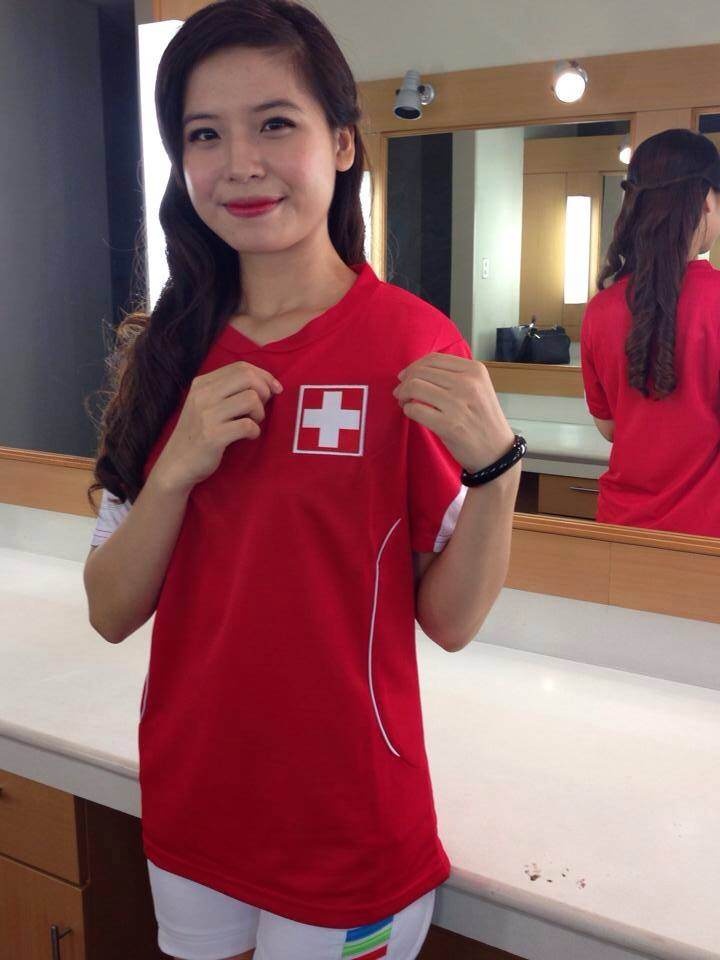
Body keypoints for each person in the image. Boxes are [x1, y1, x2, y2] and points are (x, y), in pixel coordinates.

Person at [82, 2, 523, 958]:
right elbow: (110, 609)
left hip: (346, 825)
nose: (239, 163)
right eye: (205, 134)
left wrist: (497, 474)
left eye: (275, 123)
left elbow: (449, 622)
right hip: (193, 806)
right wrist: (175, 471)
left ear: (343, 143)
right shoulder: (167, 353)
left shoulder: (410, 344)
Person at [581, 128, 720, 536]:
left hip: (621, 528)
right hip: (706, 538)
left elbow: (610, 428)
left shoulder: (600, 309)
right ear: (706, 200)